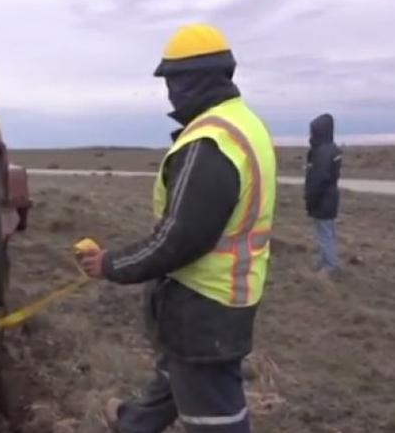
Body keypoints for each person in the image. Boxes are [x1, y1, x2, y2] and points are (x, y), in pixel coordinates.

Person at [78, 23, 277, 433]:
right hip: (228, 294)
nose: (169, 94)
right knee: (177, 371)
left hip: (204, 304)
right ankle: (135, 422)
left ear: (189, 82)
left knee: (213, 411)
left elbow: (178, 239)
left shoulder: (209, 143)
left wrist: (110, 265)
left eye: (171, 82)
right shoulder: (244, 123)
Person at [304, 113, 342, 277]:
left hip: (322, 200)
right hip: (330, 198)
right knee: (328, 232)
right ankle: (325, 260)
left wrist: (310, 200)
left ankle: (329, 266)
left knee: (324, 233)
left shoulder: (321, 153)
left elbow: (317, 180)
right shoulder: (332, 149)